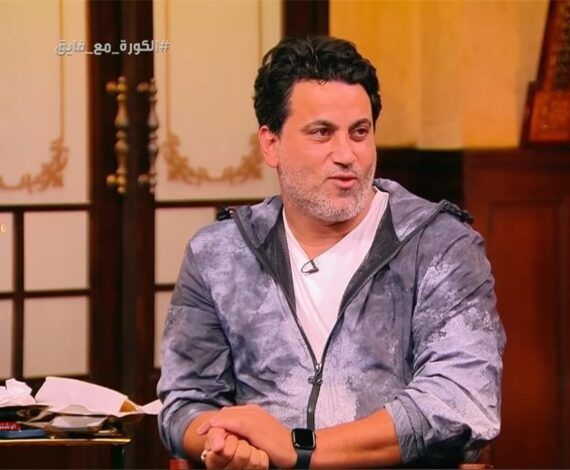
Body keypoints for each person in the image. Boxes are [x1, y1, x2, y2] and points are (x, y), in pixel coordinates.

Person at [157, 35, 506, 469]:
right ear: (271, 144)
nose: (346, 155)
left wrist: (300, 448)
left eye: (359, 132)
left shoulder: (441, 246)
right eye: (322, 133)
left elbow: (461, 398)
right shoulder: (220, 254)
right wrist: (223, 444)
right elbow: (186, 401)